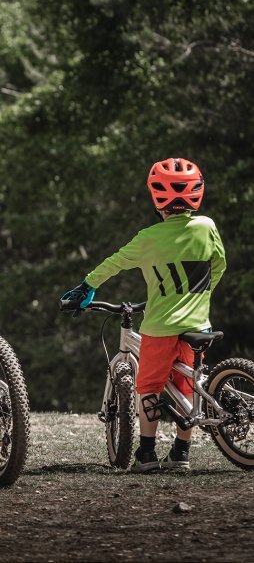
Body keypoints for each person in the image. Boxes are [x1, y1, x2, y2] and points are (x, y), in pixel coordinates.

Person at [64, 157, 226, 472]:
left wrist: (86, 287)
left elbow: (113, 263)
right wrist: (200, 293)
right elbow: (219, 265)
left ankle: (147, 454)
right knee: (186, 387)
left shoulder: (148, 238)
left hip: (161, 326)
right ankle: (181, 454)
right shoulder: (207, 227)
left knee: (148, 386)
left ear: (156, 198)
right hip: (199, 323)